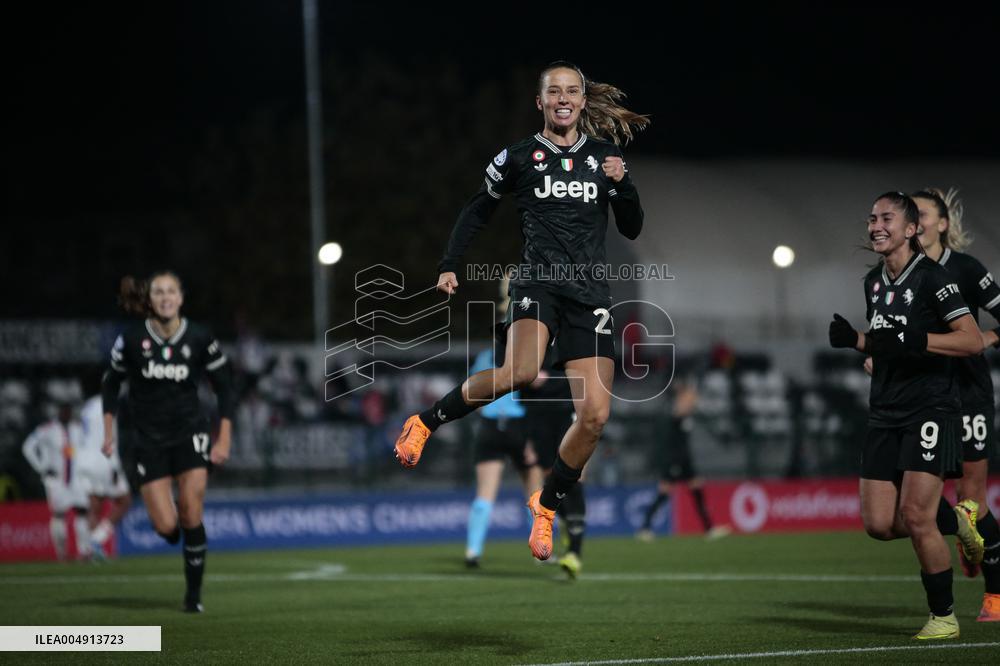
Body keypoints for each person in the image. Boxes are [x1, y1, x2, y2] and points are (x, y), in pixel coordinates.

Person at [393, 60, 648, 561]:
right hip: (538, 285)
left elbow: (633, 226)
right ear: (541, 102)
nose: (563, 98)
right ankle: (424, 421)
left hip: (591, 294)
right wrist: (450, 264)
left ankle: (546, 505)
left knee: (595, 417)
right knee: (520, 370)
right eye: (554, 91)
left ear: (580, 100)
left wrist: (624, 183)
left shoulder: (605, 158)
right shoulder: (518, 157)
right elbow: (476, 208)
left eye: (571, 90)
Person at [828, 191, 984, 639]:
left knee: (916, 515)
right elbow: (888, 343)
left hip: (931, 407)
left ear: (912, 229)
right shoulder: (873, 282)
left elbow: (971, 341)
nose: (876, 225)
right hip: (885, 409)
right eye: (872, 217)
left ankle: (944, 617)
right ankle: (957, 521)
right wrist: (857, 341)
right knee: (879, 525)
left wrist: (923, 341)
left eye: (887, 218)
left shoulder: (935, 279)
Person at [101, 271, 234, 612]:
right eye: (158, 292)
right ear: (151, 299)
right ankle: (177, 535)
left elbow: (225, 387)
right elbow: (110, 384)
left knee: (191, 509)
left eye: (170, 291)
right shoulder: (131, 340)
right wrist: (107, 432)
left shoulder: (200, 337)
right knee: (166, 526)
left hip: (191, 433)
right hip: (148, 440)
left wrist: (223, 439)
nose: (165, 297)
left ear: (180, 297)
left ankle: (193, 597)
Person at [910, 187, 1000, 621]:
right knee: (919, 499)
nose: (916, 220)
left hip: (968, 395)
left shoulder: (966, 269)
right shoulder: (898, 273)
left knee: (971, 497)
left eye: (923, 213)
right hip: (921, 398)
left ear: (942, 224)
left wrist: (990, 337)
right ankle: (967, 537)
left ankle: (996, 595)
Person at [636, 379, 730, 541]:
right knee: (664, 493)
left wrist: (689, 394)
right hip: (674, 460)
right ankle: (645, 528)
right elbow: (682, 407)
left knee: (697, 491)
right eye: (690, 398)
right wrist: (685, 393)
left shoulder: (687, 415)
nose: (693, 400)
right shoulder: (676, 413)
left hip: (685, 460)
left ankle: (709, 528)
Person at [21, 400, 91, 561]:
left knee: (82, 512)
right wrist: (41, 467)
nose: (66, 414)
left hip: (77, 479)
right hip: (56, 480)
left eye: (68, 410)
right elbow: (28, 447)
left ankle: (84, 552)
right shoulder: (47, 429)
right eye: (63, 411)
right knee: (59, 515)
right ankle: (62, 553)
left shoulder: (78, 429)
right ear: (58, 412)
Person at [77, 390, 131, 559]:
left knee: (95, 506)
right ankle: (95, 540)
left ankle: (89, 551)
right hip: (103, 460)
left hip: (84, 459)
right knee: (124, 501)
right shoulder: (107, 405)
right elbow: (107, 437)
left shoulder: (87, 406)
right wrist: (113, 465)